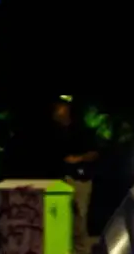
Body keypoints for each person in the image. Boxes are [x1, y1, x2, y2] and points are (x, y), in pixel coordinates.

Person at [49, 96, 99, 254]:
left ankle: (81, 250)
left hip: (79, 180)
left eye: (60, 107)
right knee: (60, 218)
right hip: (60, 180)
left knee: (79, 220)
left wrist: (77, 159)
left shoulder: (81, 130)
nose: (56, 111)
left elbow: (94, 153)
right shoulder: (54, 131)